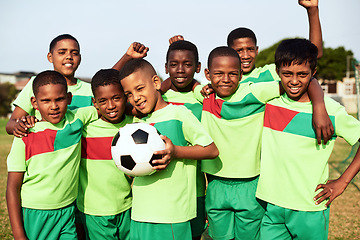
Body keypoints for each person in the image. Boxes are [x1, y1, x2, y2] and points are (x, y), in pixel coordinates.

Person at [192, 46, 327, 240]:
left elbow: (303, 81)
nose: (225, 79)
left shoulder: (255, 92)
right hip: (215, 183)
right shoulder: (205, 96)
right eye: (218, 74)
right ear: (208, 74)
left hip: (250, 184)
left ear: (240, 75)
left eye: (232, 74)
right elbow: (181, 82)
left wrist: (319, 106)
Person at [256, 38, 360, 240]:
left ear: (313, 73)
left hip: (309, 206)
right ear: (277, 72)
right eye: (287, 74)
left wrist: (343, 182)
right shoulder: (269, 102)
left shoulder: (331, 111)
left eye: (302, 74)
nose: (294, 81)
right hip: (271, 205)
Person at [118, 58, 219, 240]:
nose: (135, 98)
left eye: (139, 89)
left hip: (172, 214)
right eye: (129, 94)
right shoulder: (137, 123)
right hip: (140, 213)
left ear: (156, 82)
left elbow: (211, 150)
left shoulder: (179, 114)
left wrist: (176, 152)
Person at [6, 70, 98, 240]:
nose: (54, 106)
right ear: (34, 102)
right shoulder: (25, 134)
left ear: (69, 99)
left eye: (60, 99)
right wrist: (19, 235)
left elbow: (109, 105)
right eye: (46, 101)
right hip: (35, 213)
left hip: (68, 211)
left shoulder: (78, 118)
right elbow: (12, 187)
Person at [78, 68, 133, 240]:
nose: (110, 106)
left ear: (125, 96)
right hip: (94, 211)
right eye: (103, 101)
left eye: (116, 98)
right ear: (94, 103)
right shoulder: (85, 128)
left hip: (128, 207)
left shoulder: (134, 126)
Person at [6, 34, 92, 137]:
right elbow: (11, 124)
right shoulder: (36, 84)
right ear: (50, 57)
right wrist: (21, 125)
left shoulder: (90, 90)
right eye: (62, 52)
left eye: (74, 53)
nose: (69, 56)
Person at [162, 40, 206, 240]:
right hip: (164, 188)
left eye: (187, 64)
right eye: (174, 64)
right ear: (166, 67)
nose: (180, 70)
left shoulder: (204, 98)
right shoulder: (158, 98)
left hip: (195, 188)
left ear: (197, 67)